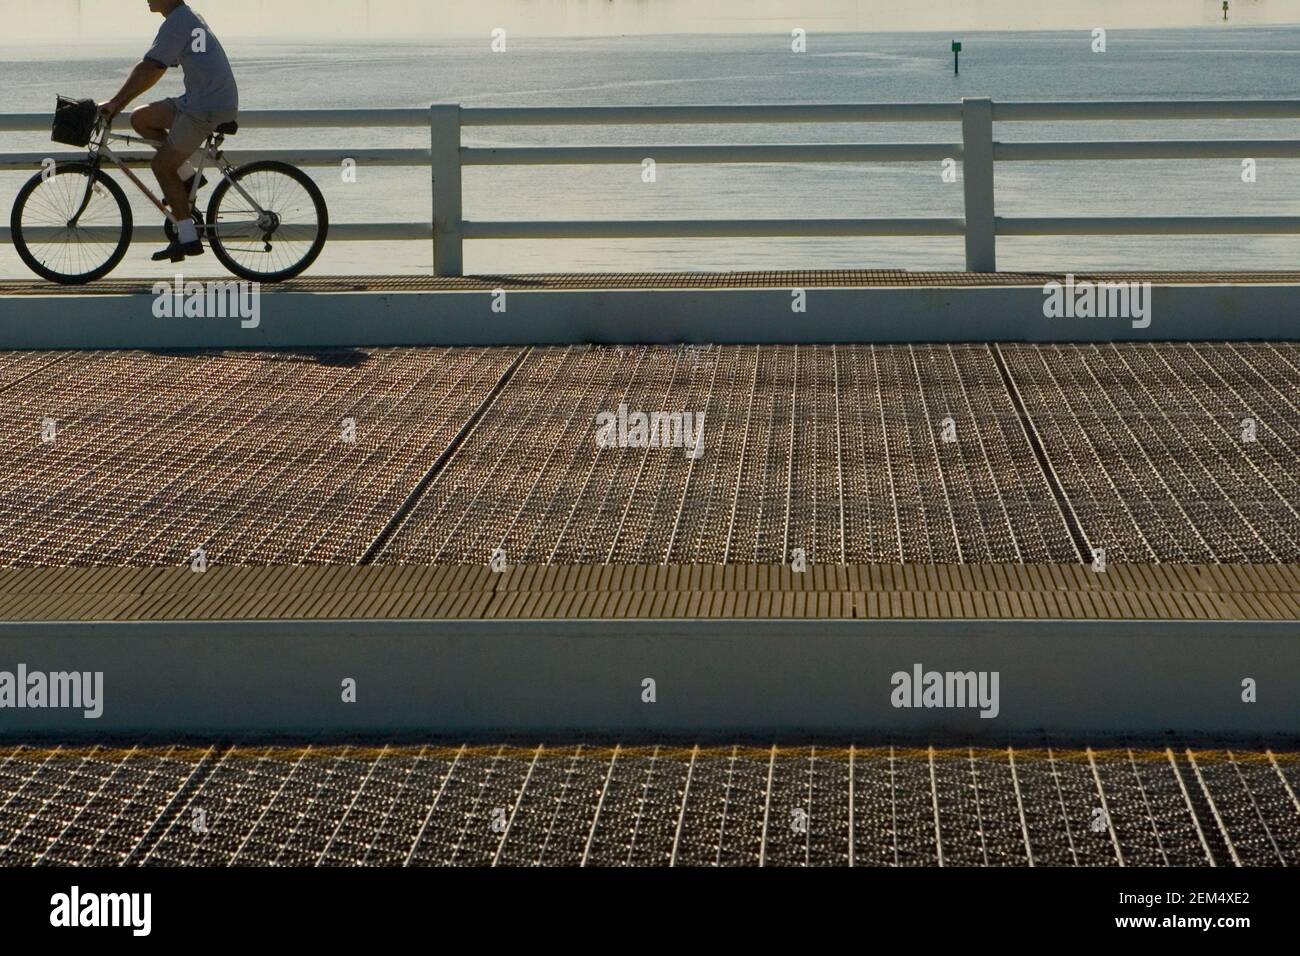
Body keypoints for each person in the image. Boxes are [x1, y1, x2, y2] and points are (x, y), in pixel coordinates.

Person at [99, 0, 239, 263]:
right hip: (197, 100)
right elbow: (154, 68)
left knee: (162, 166)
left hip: (206, 108)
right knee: (141, 119)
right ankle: (185, 177)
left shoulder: (178, 22)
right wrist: (121, 105)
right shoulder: (182, 18)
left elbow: (151, 67)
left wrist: (115, 103)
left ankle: (188, 238)